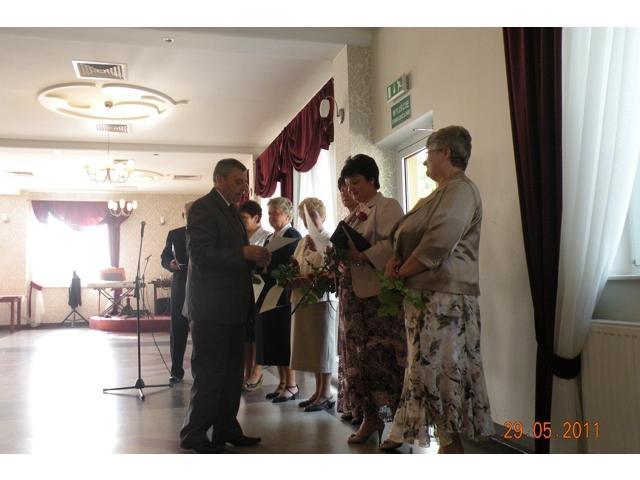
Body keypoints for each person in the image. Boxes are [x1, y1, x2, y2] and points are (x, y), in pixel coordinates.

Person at [381, 126, 493, 453]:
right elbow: (408, 236)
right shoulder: (440, 192)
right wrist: (396, 259)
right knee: (426, 371)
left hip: (446, 300)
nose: (424, 161)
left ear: (445, 152)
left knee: (444, 372)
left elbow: (439, 242)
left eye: (428, 153)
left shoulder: (461, 190)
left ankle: (451, 444)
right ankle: (447, 441)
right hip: (427, 298)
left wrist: (401, 271)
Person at [179, 158, 271, 454]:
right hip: (210, 309)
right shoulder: (202, 208)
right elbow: (201, 255)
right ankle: (194, 434)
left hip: (232, 307)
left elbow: (233, 256)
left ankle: (226, 428)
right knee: (210, 375)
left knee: (232, 375)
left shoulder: (231, 210)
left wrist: (256, 260)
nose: (243, 188)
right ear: (218, 180)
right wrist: (244, 252)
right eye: (237, 181)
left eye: (245, 182)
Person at [339, 154, 407, 445]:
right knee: (361, 361)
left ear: (372, 179)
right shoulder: (354, 215)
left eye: (355, 182)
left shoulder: (387, 206)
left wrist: (363, 255)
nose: (351, 189)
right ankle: (370, 418)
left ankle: (394, 423)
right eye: (348, 184)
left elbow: (395, 244)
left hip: (378, 299)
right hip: (354, 299)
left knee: (382, 362)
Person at [289, 198, 337, 412]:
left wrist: (317, 251)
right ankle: (318, 391)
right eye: (304, 217)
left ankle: (326, 392)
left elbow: (330, 266)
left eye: (312, 216)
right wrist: (291, 273)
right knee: (311, 346)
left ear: (322, 216)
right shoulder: (303, 241)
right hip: (302, 296)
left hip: (321, 299)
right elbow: (297, 264)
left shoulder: (328, 238)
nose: (307, 221)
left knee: (322, 345)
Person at [254, 197, 302, 403]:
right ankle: (282, 382)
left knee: (284, 339)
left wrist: (270, 268)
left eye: (276, 213)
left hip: (283, 294)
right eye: (269, 213)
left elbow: (293, 264)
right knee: (273, 338)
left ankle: (292, 384)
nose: (271, 217)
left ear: (288, 216)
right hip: (268, 291)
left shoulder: (293, 236)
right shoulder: (270, 237)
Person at [335, 176, 363, 425]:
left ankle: (367, 410)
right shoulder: (347, 220)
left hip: (364, 290)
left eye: (349, 186)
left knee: (362, 352)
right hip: (348, 288)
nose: (345, 192)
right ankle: (353, 404)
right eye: (342, 189)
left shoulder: (370, 213)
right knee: (349, 350)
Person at [238, 200, 272, 391]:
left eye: (244, 218)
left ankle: (257, 372)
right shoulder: (239, 237)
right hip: (242, 289)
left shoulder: (267, 237)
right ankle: (246, 372)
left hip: (260, 289)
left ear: (256, 218)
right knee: (246, 334)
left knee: (257, 333)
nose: (241, 221)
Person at [161, 201, 194, 384]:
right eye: (188, 213)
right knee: (178, 330)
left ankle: (199, 371)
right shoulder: (174, 234)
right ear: (183, 215)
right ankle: (176, 371)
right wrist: (170, 264)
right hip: (180, 286)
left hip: (201, 287)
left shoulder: (208, 233)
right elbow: (165, 257)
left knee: (200, 331)